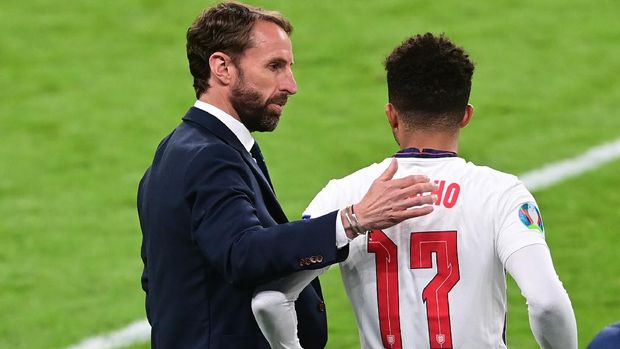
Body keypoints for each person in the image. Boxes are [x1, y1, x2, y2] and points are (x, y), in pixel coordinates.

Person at [137, 3, 438, 348]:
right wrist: (354, 220)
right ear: (222, 68)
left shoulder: (177, 149)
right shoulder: (211, 156)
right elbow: (241, 252)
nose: (291, 85)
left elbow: (158, 278)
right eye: (275, 66)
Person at [251, 33, 578, 348]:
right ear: (465, 115)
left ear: (392, 115)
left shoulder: (343, 196)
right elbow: (547, 302)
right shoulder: (501, 193)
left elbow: (270, 300)